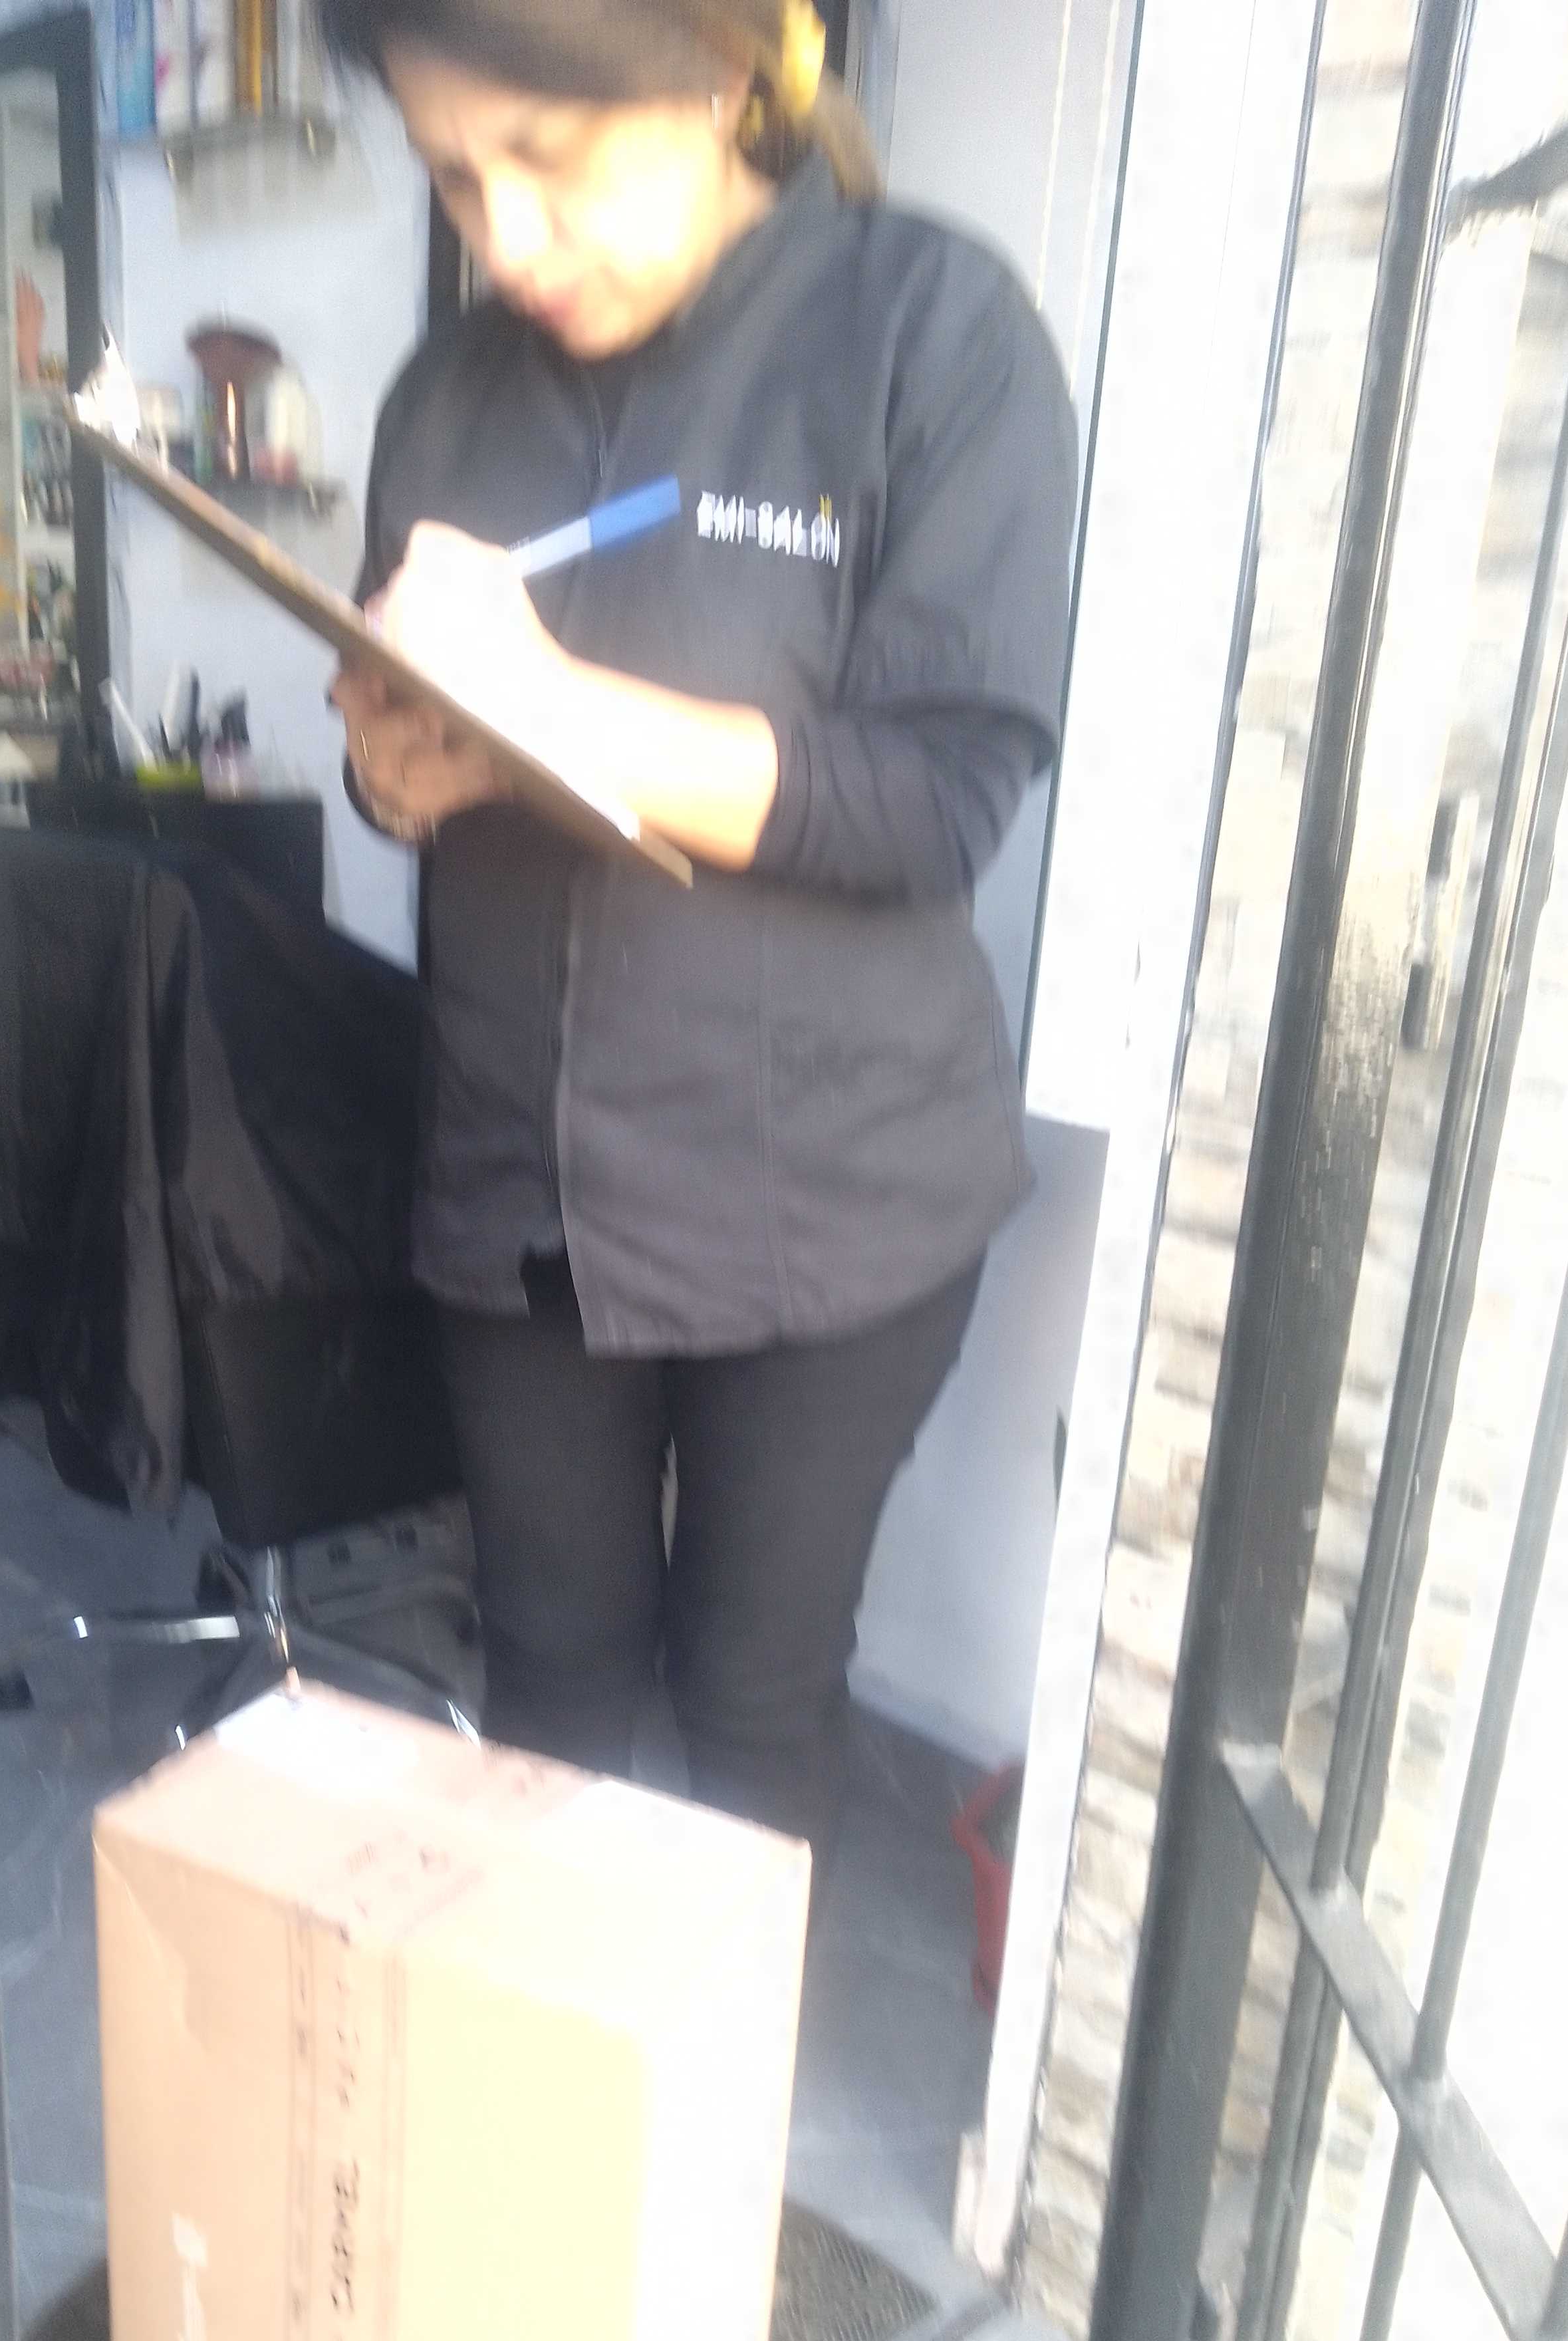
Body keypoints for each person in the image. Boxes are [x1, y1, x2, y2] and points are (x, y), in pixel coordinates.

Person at [323, 0, 1077, 1856]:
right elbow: (408, 749)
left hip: (828, 1198)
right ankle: (545, 2050)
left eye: (551, 161)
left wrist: (553, 704)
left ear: (725, 78)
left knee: (754, 1706)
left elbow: (934, 799)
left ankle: (732, 2059)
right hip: (521, 1192)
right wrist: (401, 775)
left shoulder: (929, 332)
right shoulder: (447, 399)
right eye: (454, 178)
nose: (505, 238)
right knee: (551, 1691)